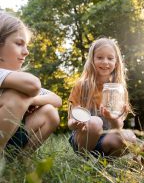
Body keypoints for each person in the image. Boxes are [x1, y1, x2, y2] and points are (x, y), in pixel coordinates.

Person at [0, 11, 62, 156]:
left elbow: (56, 99)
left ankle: (17, 162)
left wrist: (31, 100)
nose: (26, 52)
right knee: (20, 94)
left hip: (6, 139)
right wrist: (26, 97)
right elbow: (33, 85)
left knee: (50, 112)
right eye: (19, 43)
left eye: (26, 45)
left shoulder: (15, 79)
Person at [68, 37, 136, 156]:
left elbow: (117, 127)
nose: (105, 62)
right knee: (95, 122)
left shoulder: (119, 90)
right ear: (92, 60)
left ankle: (102, 165)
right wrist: (75, 123)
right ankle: (84, 160)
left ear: (116, 62)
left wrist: (112, 119)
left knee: (129, 137)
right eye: (100, 57)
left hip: (105, 140)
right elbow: (71, 120)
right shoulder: (82, 86)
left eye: (110, 58)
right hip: (83, 139)